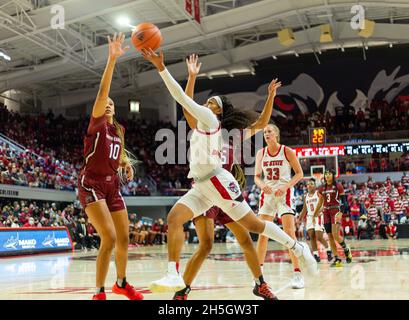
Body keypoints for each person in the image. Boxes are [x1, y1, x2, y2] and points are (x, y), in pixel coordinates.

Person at [142, 48, 316, 295]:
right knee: (185, 228)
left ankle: (287, 257)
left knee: (252, 230)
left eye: (211, 102)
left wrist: (270, 97)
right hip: (202, 186)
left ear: (219, 112)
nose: (206, 103)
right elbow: (186, 106)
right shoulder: (203, 122)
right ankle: (176, 279)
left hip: (220, 183)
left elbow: (260, 123)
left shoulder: (223, 129)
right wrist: (191, 77)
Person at [76, 33, 142, 300]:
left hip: (112, 184)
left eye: (112, 105)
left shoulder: (118, 129)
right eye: (105, 104)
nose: (108, 105)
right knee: (110, 238)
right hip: (91, 183)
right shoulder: (97, 124)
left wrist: (126, 163)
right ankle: (99, 292)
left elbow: (117, 152)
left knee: (125, 238)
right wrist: (112, 59)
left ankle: (122, 283)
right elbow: (104, 92)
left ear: (115, 111)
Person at [254, 124, 306, 289]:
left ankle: (297, 274)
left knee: (289, 234)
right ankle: (258, 276)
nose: (266, 134)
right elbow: (256, 177)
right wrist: (262, 186)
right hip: (267, 197)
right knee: (263, 234)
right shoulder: (260, 153)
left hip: (284, 195)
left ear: (276, 134)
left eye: (269, 131)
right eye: (264, 132)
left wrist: (285, 186)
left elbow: (299, 173)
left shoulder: (287, 151)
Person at [313, 169, 353, 266]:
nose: (327, 175)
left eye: (329, 174)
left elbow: (344, 202)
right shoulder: (322, 188)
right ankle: (337, 259)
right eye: (326, 174)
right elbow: (320, 201)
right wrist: (315, 213)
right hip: (326, 212)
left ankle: (346, 249)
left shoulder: (338, 186)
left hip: (335, 211)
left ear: (333, 175)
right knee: (330, 237)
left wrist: (341, 213)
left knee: (335, 235)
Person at [298, 178, 333, 263]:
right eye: (308, 184)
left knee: (319, 236)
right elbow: (304, 209)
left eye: (311, 184)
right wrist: (299, 219)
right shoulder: (305, 196)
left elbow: (324, 205)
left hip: (318, 216)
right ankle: (316, 255)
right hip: (309, 217)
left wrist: (318, 213)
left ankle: (328, 251)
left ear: (315, 186)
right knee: (311, 236)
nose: (309, 185)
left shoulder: (319, 194)